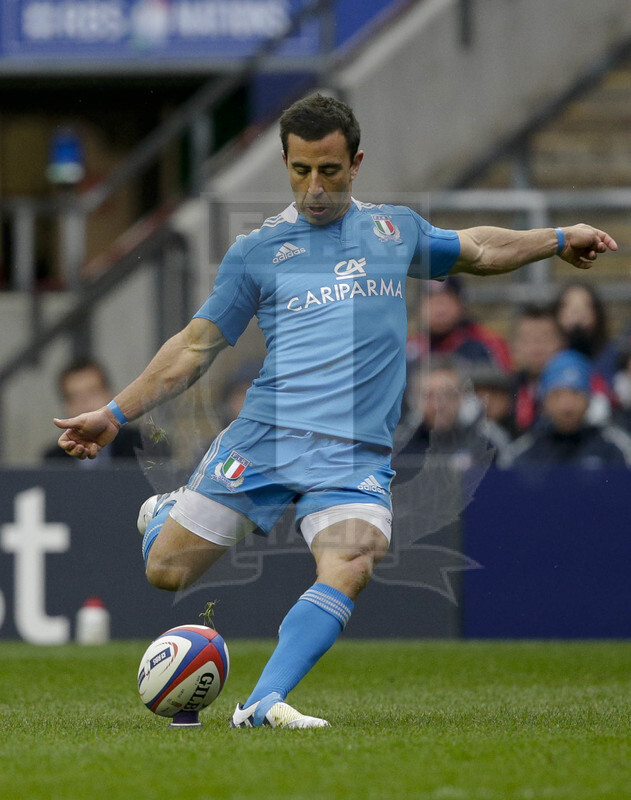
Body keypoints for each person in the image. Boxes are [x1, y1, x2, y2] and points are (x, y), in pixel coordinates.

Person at [52, 93, 618, 729]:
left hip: (351, 454)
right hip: (266, 436)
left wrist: (558, 238)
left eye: (329, 170)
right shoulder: (257, 252)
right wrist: (113, 411)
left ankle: (262, 703)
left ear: (356, 163)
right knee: (166, 570)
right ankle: (163, 519)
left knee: (353, 558)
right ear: (286, 164)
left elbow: (480, 250)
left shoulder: (393, 230)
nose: (314, 188)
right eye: (300, 171)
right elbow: (194, 347)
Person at [501, 349, 631, 468]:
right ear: (545, 402)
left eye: (575, 393)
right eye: (558, 395)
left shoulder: (615, 445)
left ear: (589, 400)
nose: (567, 405)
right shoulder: (523, 450)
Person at [395, 358, 510, 473]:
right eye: (429, 396)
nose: (439, 405)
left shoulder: (487, 443)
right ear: (415, 400)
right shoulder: (397, 445)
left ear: (462, 397)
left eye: (448, 394)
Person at [43, 359, 145, 465]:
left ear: (109, 394)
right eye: (75, 397)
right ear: (65, 405)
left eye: (93, 393)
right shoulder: (54, 459)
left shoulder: (142, 446)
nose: (86, 403)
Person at [406, 275, 512, 371]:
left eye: (445, 300)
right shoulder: (410, 348)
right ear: (419, 308)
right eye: (431, 300)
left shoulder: (487, 343)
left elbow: (509, 386)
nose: (439, 309)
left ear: (461, 304)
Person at [552, 280, 619, 387]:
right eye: (568, 306)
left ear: (597, 313)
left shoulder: (614, 359)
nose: (577, 313)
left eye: (586, 306)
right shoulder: (548, 359)